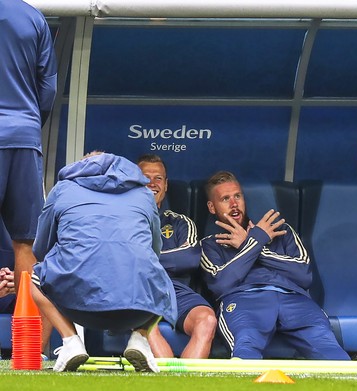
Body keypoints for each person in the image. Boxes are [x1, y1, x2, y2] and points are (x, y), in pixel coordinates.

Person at [31, 152, 177, 372]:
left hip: (78, 307)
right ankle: (140, 338)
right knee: (160, 278)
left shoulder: (62, 189)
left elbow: (41, 249)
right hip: (136, 311)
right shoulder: (144, 194)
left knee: (34, 276)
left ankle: (71, 342)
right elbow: (155, 252)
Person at [200, 171, 350, 360]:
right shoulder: (211, 244)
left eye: (237, 196)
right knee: (245, 348)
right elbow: (221, 285)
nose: (234, 204)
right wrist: (257, 242)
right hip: (246, 301)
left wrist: (252, 243)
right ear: (212, 207)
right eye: (225, 199)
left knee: (331, 351)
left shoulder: (280, 231)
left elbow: (304, 276)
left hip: (294, 299)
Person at [0, 0, 57, 291]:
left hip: (22, 130)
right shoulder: (32, 17)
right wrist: (30, 124)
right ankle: (28, 339)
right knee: (26, 242)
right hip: (24, 133)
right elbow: (48, 89)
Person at [137, 154, 216, 358]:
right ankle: (170, 383)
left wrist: (143, 260)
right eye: (146, 178)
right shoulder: (122, 222)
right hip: (137, 287)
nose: (152, 184)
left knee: (207, 320)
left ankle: (184, 384)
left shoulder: (180, 222)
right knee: (146, 323)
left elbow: (189, 259)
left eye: (158, 178)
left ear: (166, 185)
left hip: (175, 290)